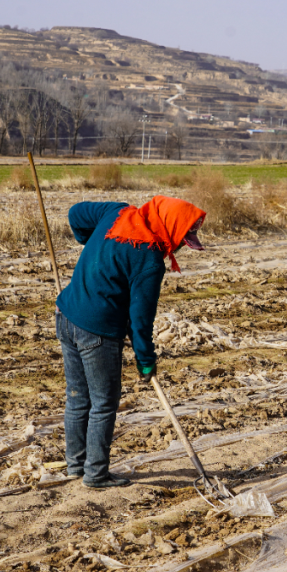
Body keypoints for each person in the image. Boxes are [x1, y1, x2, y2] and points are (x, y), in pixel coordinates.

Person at [55, 195, 206, 488]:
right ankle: (95, 475)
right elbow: (140, 320)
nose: (176, 247)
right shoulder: (149, 259)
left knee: (77, 398)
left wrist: (92, 244)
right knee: (103, 403)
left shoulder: (116, 213)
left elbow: (76, 214)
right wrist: (146, 361)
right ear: (171, 228)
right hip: (96, 331)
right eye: (180, 240)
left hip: (66, 315)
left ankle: (75, 466)